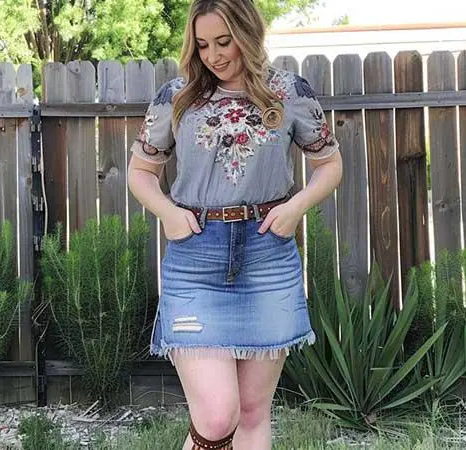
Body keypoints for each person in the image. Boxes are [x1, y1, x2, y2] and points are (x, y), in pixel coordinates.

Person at [127, 0, 343, 448]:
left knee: (250, 413)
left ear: (248, 34)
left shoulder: (289, 92)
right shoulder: (177, 96)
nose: (213, 55)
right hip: (196, 259)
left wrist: (296, 207)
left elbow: (330, 165)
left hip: (268, 257)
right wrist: (168, 212)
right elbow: (140, 172)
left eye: (224, 42)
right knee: (215, 415)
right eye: (203, 44)